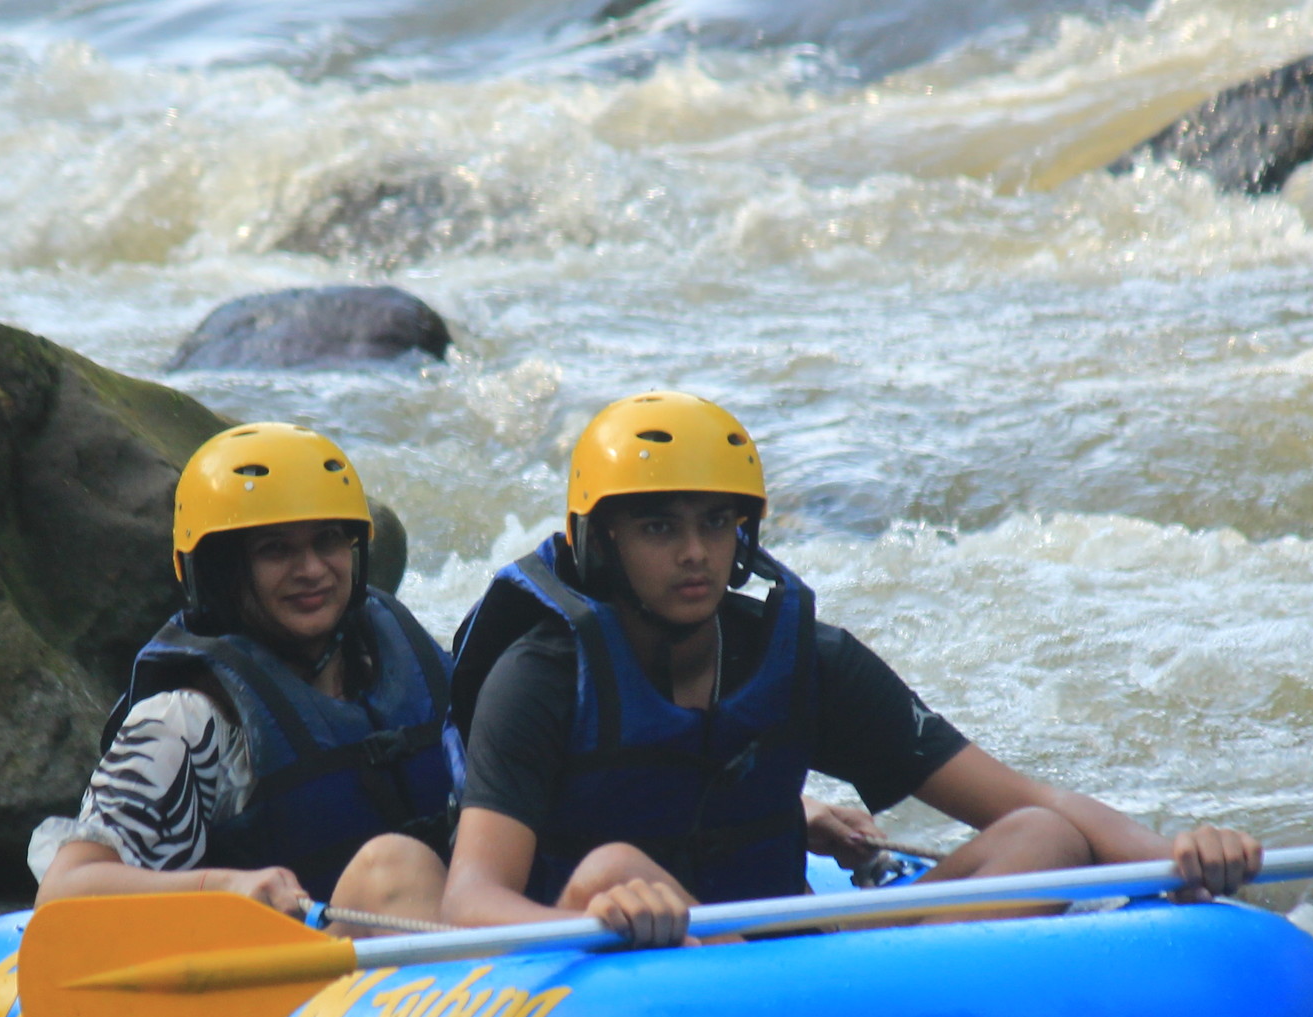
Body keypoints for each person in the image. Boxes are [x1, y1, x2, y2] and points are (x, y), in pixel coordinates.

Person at [442, 391, 1262, 945]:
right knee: (609, 868)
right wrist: (604, 910)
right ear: (602, 542)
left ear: (744, 537)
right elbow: (470, 897)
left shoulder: (804, 658)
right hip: (616, 963)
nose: (694, 554)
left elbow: (1032, 802)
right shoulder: (542, 675)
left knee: (1044, 840)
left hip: (794, 960)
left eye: (717, 524)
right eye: (658, 528)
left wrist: (1177, 860)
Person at [29, 422, 457, 927]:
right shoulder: (187, 721)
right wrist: (225, 885)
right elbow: (62, 894)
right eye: (275, 549)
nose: (313, 569)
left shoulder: (410, 663)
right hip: (283, 973)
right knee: (391, 869)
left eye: (328, 541)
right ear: (219, 572)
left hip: (429, 965)